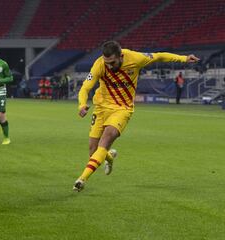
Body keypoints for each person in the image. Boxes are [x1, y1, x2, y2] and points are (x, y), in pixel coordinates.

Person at [73, 40, 199, 192]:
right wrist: (81, 104)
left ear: (121, 56)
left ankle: (81, 180)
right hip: (100, 108)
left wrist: (184, 58)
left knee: (105, 140)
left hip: (122, 109)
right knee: (93, 151)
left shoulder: (135, 58)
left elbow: (159, 56)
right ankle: (110, 158)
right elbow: (85, 87)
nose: (109, 66)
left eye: (112, 62)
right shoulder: (99, 64)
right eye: (107, 63)